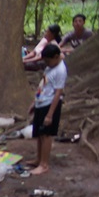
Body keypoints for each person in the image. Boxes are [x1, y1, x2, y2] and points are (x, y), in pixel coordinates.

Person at [32, 43, 66, 176]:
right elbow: (43, 85)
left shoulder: (60, 71)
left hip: (50, 105)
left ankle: (44, 164)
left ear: (56, 57)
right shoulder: (51, 66)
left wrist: (50, 115)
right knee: (40, 134)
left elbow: (58, 93)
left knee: (46, 135)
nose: (46, 63)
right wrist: (33, 102)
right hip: (41, 102)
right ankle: (38, 159)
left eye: (48, 60)